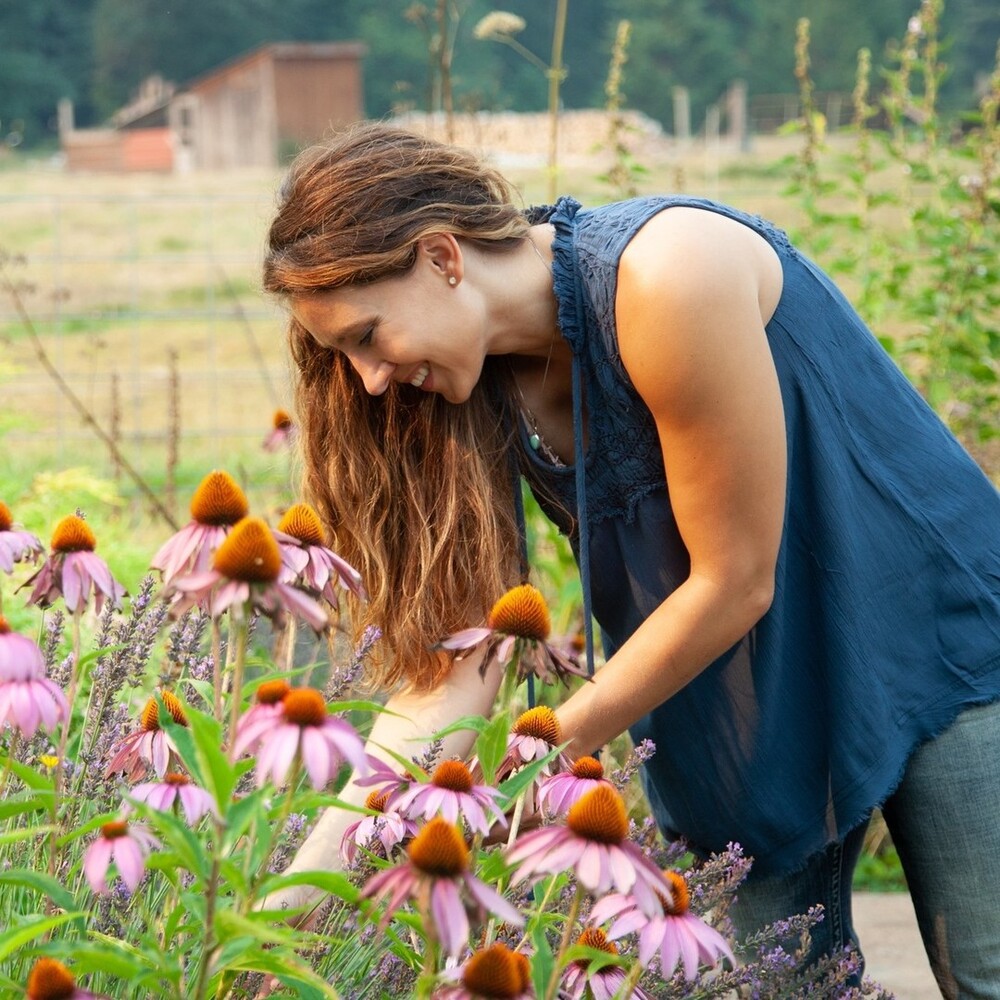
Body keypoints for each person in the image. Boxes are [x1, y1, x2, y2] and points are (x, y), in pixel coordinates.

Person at [261, 121, 1000, 996]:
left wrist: (539, 756)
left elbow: (734, 579)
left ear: (441, 256)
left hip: (930, 633)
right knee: (768, 988)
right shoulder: (459, 395)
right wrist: (304, 888)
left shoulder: (666, 275)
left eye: (366, 335)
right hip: (736, 700)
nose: (369, 379)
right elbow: (450, 671)